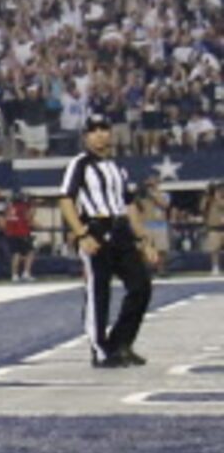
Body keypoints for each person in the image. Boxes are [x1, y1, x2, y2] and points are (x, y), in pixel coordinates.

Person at [62, 119, 150, 368]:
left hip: (120, 229)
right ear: (86, 137)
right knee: (98, 292)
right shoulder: (79, 164)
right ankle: (101, 350)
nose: (100, 136)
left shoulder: (117, 168)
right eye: (94, 131)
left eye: (104, 130)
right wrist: (81, 234)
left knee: (141, 286)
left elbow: (129, 204)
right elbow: (66, 200)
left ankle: (121, 343)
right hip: (96, 228)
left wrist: (143, 238)